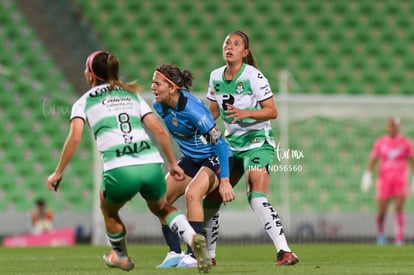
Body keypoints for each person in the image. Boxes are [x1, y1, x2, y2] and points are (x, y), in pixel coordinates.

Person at [46, 51, 211, 273]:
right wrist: (172, 163)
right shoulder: (132, 96)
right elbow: (160, 131)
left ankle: (121, 256)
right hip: (150, 163)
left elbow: (75, 137)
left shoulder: (83, 102)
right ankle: (192, 237)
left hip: (119, 168)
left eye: (86, 69)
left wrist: (57, 172)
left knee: (108, 210)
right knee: (162, 207)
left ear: (92, 75)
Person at [204, 30, 299, 266]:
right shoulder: (215, 76)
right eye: (227, 42)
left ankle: (285, 251)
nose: (230, 46)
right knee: (211, 199)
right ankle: (209, 255)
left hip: (258, 141)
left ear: (244, 52)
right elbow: (212, 113)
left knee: (255, 194)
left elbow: (272, 111)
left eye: (236, 44)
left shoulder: (254, 76)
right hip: (231, 145)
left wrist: (246, 113)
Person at [151, 64, 234, 268]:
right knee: (160, 199)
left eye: (157, 83)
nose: (152, 87)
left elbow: (221, 144)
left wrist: (225, 180)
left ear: (172, 87)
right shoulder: (159, 105)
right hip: (191, 159)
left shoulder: (193, 110)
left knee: (192, 194)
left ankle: (193, 255)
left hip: (214, 157)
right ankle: (174, 252)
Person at [361, 116, 414, 245]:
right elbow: (373, 160)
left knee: (399, 208)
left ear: (398, 127)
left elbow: (411, 161)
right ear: (387, 127)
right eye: (390, 125)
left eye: (394, 125)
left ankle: (399, 237)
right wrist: (367, 175)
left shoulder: (405, 143)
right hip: (384, 181)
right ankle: (381, 234)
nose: (391, 128)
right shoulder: (380, 143)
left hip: (400, 180)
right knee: (381, 211)